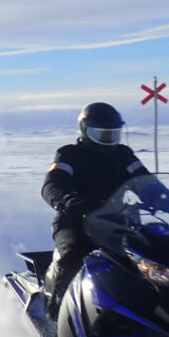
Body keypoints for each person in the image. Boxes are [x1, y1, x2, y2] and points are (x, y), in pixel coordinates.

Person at [41, 102, 149, 319]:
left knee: (149, 260)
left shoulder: (123, 155)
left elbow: (143, 179)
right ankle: (57, 313)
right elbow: (52, 184)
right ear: (85, 131)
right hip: (77, 221)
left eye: (113, 134)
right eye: (103, 135)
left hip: (119, 221)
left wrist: (164, 197)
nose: (109, 140)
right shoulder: (70, 154)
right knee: (73, 256)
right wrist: (69, 200)